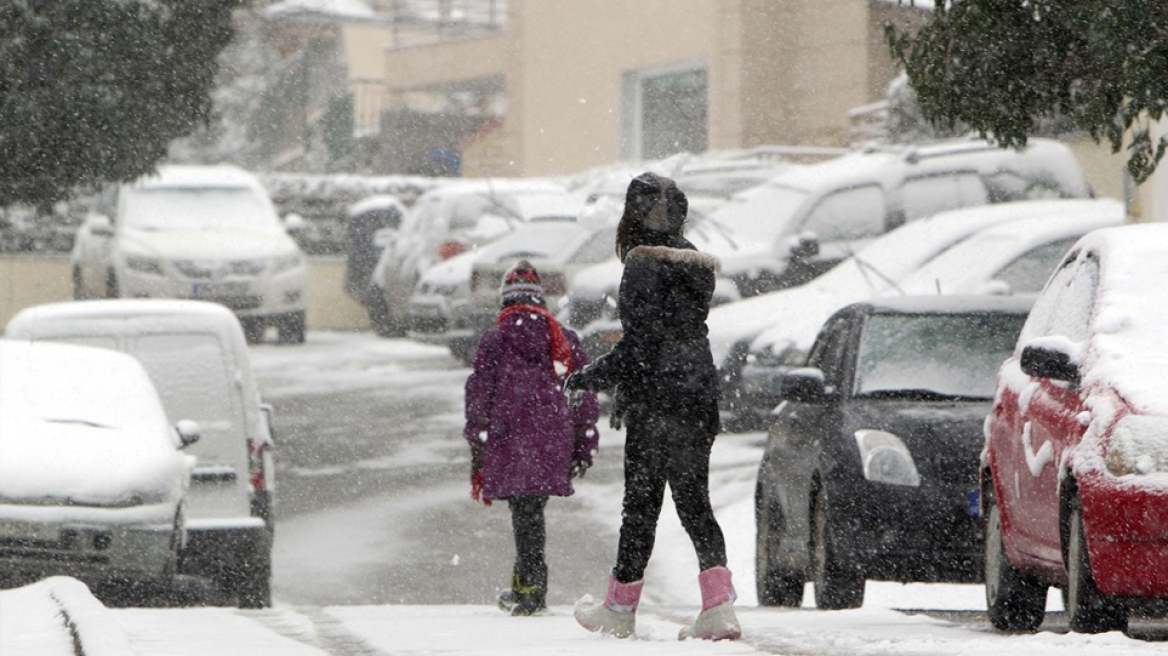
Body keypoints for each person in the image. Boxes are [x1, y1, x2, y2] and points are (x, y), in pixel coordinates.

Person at [565, 172, 741, 641]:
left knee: (640, 509)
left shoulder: (643, 264)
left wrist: (593, 377)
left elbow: (643, 343)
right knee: (694, 503)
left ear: (633, 215)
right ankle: (719, 609)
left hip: (659, 402)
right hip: (698, 395)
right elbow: (676, 335)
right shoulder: (697, 265)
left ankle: (620, 610)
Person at [463, 260, 600, 616]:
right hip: (552, 440)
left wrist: (477, 440)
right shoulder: (564, 339)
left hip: (508, 438)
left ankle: (530, 586)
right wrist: (584, 444)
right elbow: (582, 395)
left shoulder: (496, 340)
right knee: (531, 509)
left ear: (506, 302)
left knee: (524, 511)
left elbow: (479, 394)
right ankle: (527, 583)